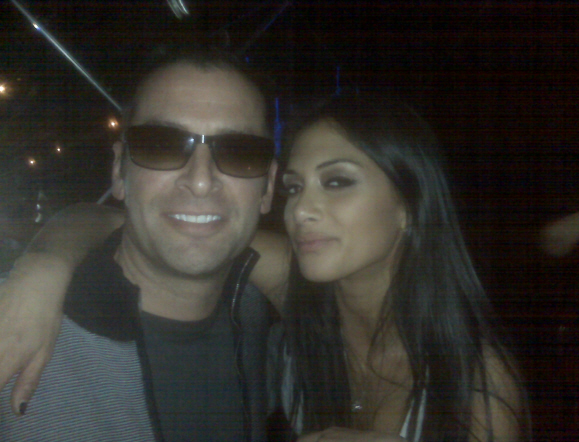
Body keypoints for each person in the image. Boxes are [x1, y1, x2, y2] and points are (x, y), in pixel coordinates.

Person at [0, 93, 529, 441]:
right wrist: (44, 265)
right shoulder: (300, 291)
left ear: (408, 205)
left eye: (337, 182)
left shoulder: (475, 386)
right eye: (295, 188)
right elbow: (138, 223)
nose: (301, 210)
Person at [0, 48, 283, 441]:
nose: (201, 181)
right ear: (119, 171)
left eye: (239, 152)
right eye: (161, 144)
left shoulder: (265, 326)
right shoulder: (14, 327)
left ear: (267, 186)